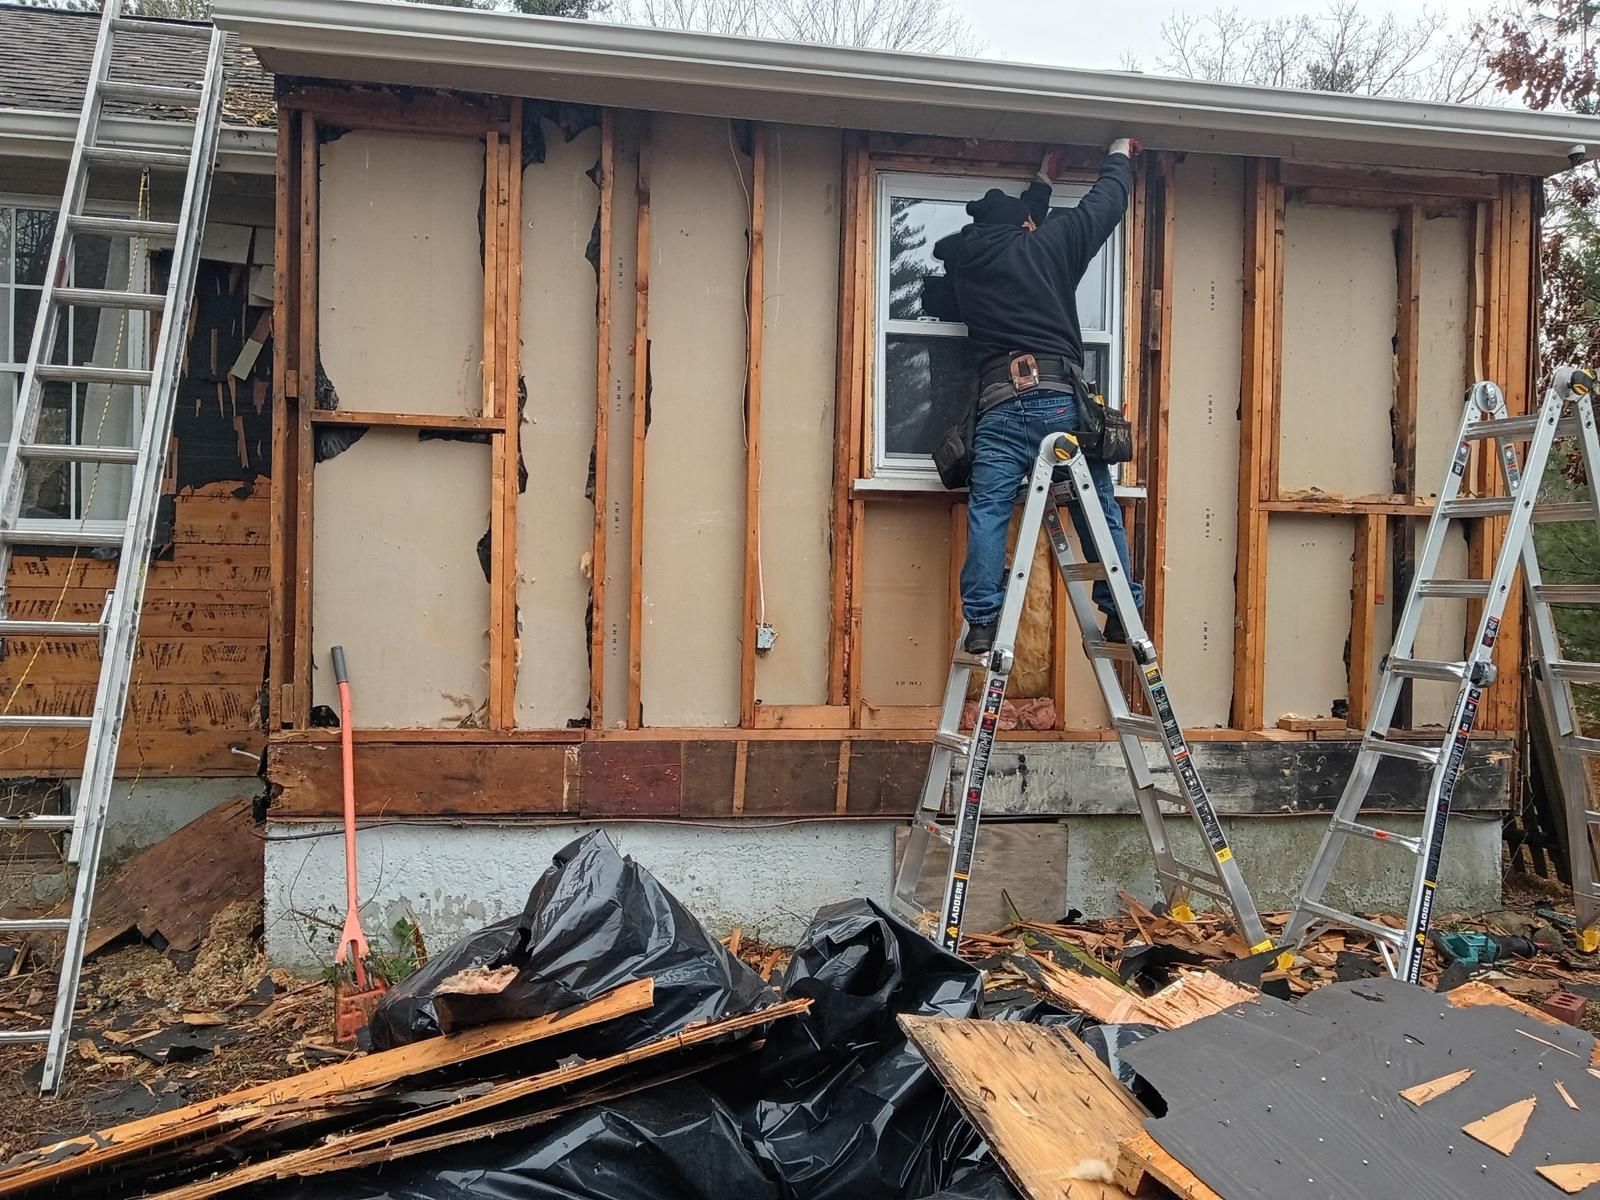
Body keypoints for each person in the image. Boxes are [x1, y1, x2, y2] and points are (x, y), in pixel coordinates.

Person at [932, 139, 1142, 655]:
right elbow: (1105, 203)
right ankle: (1118, 612)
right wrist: (1119, 155)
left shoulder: (968, 268)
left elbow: (1009, 237)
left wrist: (1040, 187)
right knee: (1098, 508)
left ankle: (982, 621)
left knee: (989, 510)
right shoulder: (1048, 247)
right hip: (1056, 402)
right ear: (1025, 226)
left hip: (998, 407)